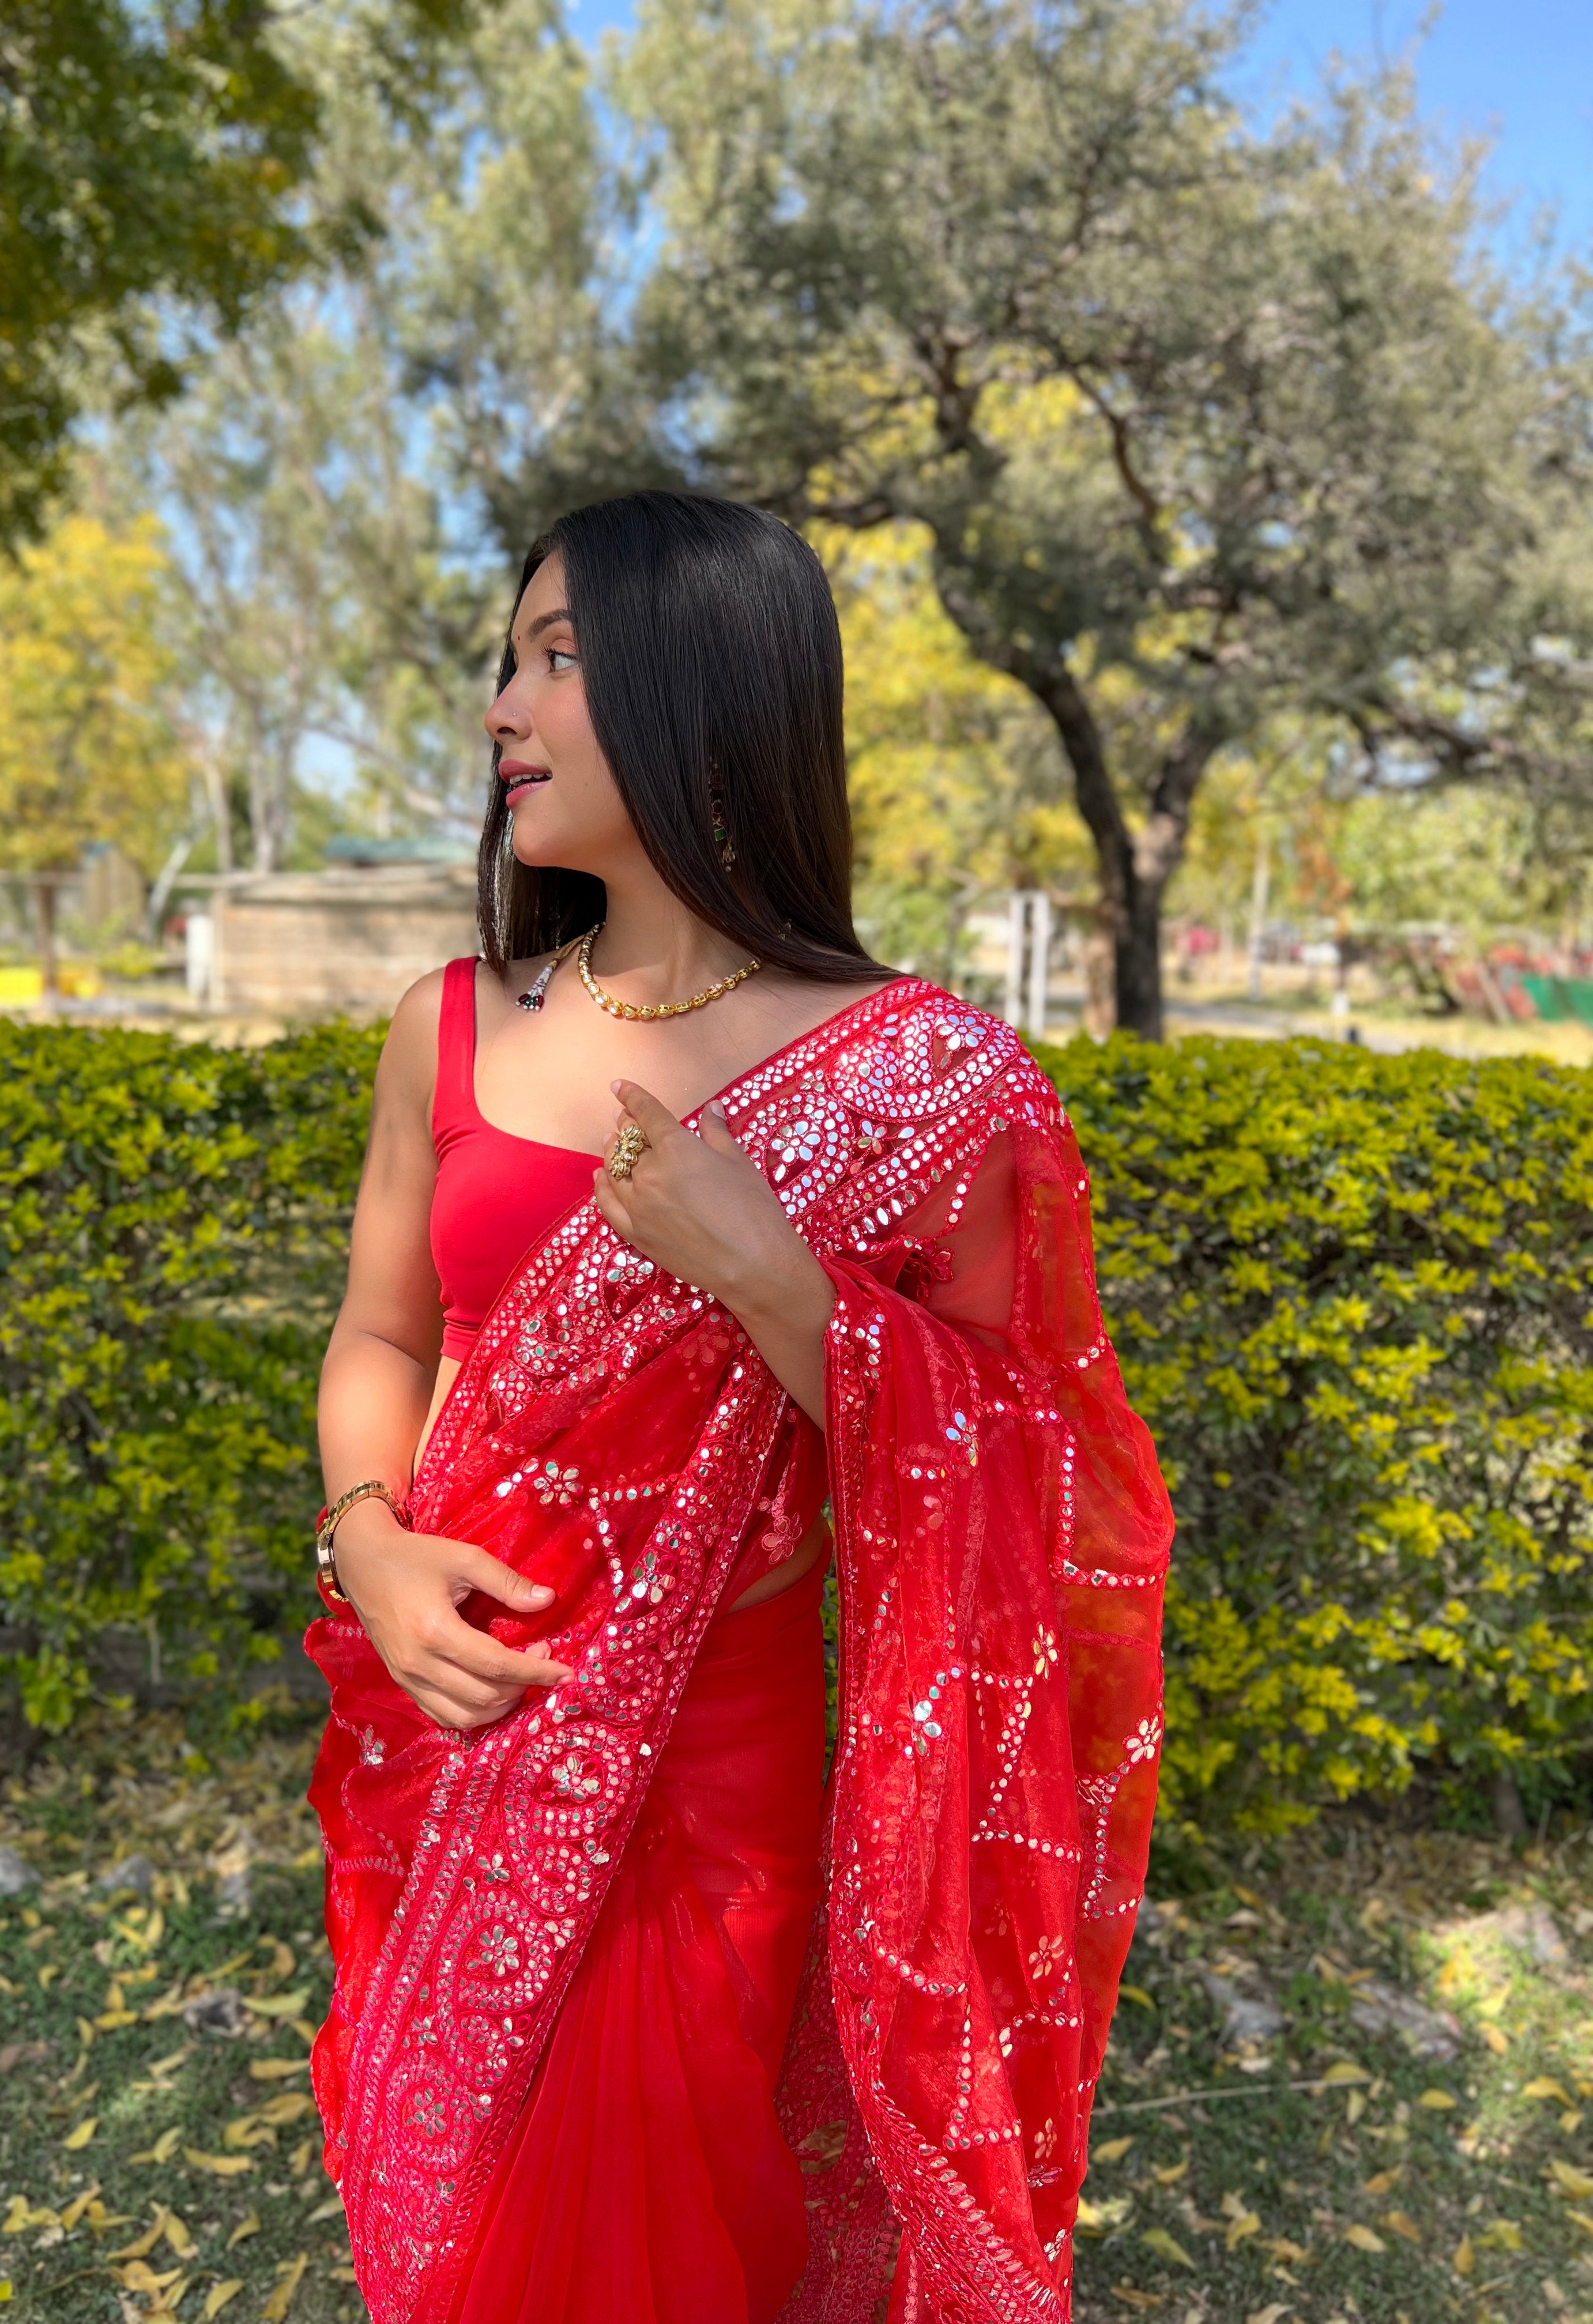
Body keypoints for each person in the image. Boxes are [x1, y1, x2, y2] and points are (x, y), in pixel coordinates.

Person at [306, 491, 1173, 2324]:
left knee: (679, 2238)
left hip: (720, 1775)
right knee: (461, 2227)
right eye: (506, 661)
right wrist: (369, 1550)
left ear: (704, 691)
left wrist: (771, 1273)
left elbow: (1022, 1471)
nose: (503, 711)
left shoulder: (920, 1080)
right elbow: (383, 1339)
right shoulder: (448, 1023)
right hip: (449, 1734)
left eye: (557, 660)